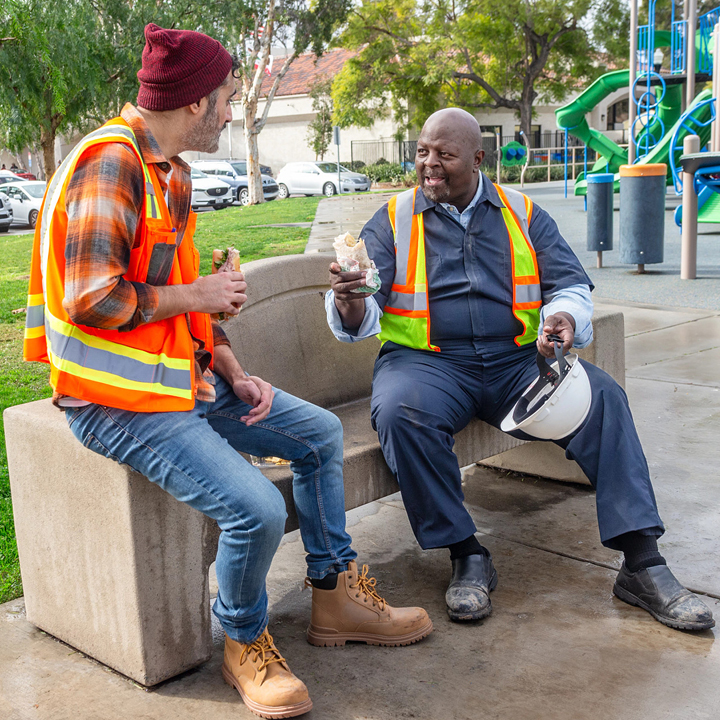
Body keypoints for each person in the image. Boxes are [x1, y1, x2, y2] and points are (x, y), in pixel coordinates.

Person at [24, 23, 432, 719]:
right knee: (256, 508)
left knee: (318, 434)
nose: (232, 110)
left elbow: (178, 292)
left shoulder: (171, 175)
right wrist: (199, 297)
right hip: (112, 402)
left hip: (180, 382)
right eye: (229, 99)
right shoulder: (111, 165)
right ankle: (243, 642)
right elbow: (89, 298)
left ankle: (334, 597)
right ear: (195, 103)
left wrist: (233, 367)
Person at [326, 107, 714, 632]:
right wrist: (349, 303)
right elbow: (363, 308)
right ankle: (466, 554)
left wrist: (563, 318)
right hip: (428, 365)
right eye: (422, 152)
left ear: (478, 159)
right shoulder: (393, 219)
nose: (429, 165)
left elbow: (572, 286)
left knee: (605, 400)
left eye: (444, 154)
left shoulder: (523, 212)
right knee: (400, 413)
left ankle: (643, 564)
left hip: (516, 361)